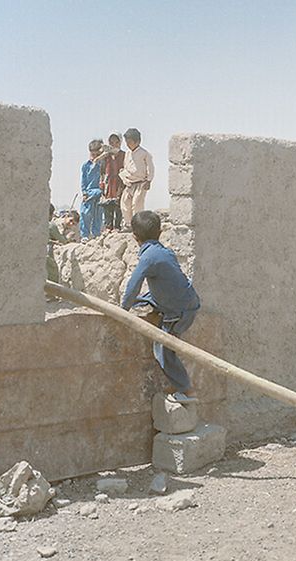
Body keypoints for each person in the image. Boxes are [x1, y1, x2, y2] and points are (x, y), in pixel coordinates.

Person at [121, 210, 200, 404]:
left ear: (135, 237)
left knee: (163, 349)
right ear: (160, 233)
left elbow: (133, 285)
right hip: (187, 299)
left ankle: (186, 389)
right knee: (147, 297)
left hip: (178, 311)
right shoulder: (165, 252)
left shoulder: (148, 258)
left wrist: (123, 309)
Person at [119, 128, 154, 229]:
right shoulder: (128, 154)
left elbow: (150, 167)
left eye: (130, 142)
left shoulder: (144, 153)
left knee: (137, 204)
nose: (128, 144)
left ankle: (138, 225)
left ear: (137, 141)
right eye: (126, 142)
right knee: (125, 203)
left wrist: (149, 180)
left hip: (141, 182)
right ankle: (128, 224)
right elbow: (126, 166)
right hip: (129, 182)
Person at [97, 133, 125, 231]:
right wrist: (102, 183)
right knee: (107, 205)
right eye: (111, 142)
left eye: (116, 142)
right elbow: (102, 171)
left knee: (119, 204)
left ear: (120, 143)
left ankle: (117, 226)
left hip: (120, 183)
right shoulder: (106, 156)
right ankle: (108, 226)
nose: (114, 144)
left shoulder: (124, 155)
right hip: (109, 183)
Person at [79, 139, 104, 242]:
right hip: (89, 192)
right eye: (92, 154)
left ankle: (96, 234)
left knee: (98, 214)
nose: (94, 156)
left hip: (100, 192)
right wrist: (84, 192)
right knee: (85, 213)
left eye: (96, 154)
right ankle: (84, 235)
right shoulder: (86, 165)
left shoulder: (103, 164)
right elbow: (83, 180)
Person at [47, 204, 68, 285]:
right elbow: (62, 240)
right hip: (46, 252)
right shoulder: (51, 225)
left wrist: (54, 242)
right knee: (53, 272)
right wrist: (67, 238)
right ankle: (50, 295)